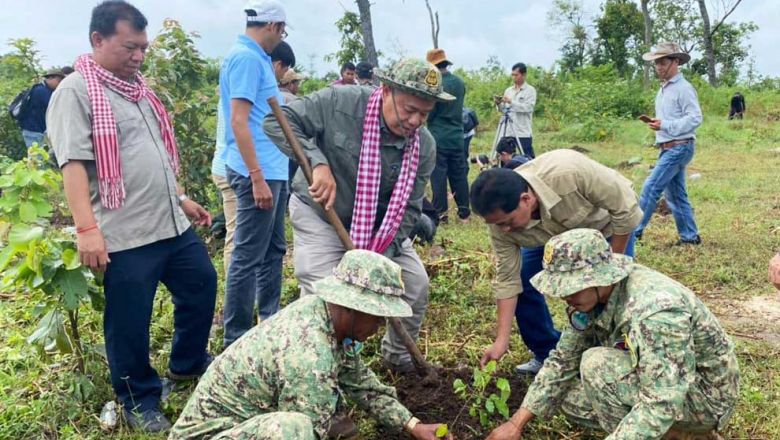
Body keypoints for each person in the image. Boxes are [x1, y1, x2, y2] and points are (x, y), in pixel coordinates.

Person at [46, 1, 216, 432]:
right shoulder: (76, 92)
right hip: (124, 232)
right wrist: (87, 229)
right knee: (129, 322)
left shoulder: (139, 90)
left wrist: (181, 197)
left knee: (201, 282)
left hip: (169, 222)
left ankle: (187, 363)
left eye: (143, 47)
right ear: (98, 39)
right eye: (129, 47)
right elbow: (73, 166)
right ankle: (137, 398)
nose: (138, 56)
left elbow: (156, 155)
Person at [264, 57, 454, 376]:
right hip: (322, 215)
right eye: (410, 110)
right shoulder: (341, 102)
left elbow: (409, 209)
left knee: (415, 284)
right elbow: (278, 121)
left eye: (425, 113)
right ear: (387, 91)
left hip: (381, 231)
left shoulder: (424, 146)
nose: (415, 121)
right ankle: (317, 372)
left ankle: (399, 359)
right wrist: (317, 162)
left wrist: (378, 260)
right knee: (325, 296)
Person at [169, 250, 452, 440]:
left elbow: (361, 383)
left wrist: (412, 425)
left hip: (244, 425)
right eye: (377, 317)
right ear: (352, 308)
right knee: (295, 428)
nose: (380, 326)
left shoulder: (326, 315)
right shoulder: (311, 355)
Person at [487, 228, 739, 440]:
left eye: (572, 288)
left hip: (703, 398)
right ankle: (675, 434)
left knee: (596, 366)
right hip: (656, 379)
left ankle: (688, 432)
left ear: (601, 278)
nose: (565, 296)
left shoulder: (655, 311)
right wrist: (516, 424)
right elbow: (563, 361)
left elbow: (663, 400)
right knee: (567, 396)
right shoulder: (590, 300)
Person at [470, 149, 642, 375]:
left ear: (526, 199)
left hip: (604, 233)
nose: (504, 230)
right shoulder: (500, 224)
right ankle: (547, 354)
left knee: (610, 295)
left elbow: (625, 207)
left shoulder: (568, 172)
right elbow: (508, 279)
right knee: (524, 278)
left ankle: (614, 361)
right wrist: (501, 340)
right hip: (551, 242)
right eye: (497, 224)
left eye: (507, 222)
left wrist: (608, 273)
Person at [219, 0, 290, 348]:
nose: (282, 38)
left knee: (274, 249)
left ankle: (269, 320)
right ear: (273, 27)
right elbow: (238, 121)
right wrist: (256, 176)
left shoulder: (258, 57)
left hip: (273, 168)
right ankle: (236, 338)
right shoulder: (246, 58)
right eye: (283, 31)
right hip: (257, 172)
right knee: (247, 257)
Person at [634, 42, 703, 246]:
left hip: (680, 146)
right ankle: (690, 237)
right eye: (656, 63)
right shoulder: (663, 90)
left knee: (651, 188)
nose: (658, 67)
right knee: (675, 195)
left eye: (662, 62)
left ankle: (632, 234)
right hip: (669, 147)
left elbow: (695, 118)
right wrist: (659, 124)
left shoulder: (684, 88)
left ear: (676, 62)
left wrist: (665, 125)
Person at [426, 48, 469, 224]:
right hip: (457, 137)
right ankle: (464, 214)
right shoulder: (459, 82)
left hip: (438, 137)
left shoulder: (434, 83)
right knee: (459, 175)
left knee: (439, 177)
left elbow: (431, 112)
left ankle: (441, 214)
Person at [211, 88, 235, 276]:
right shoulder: (238, 95)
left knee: (237, 231)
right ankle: (235, 287)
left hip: (224, 167)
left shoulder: (229, 93)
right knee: (237, 234)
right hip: (232, 169)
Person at [16, 68, 68, 148]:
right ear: (51, 78)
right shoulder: (42, 91)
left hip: (35, 130)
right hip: (34, 131)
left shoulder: (41, 89)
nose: (60, 84)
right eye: (59, 81)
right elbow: (55, 109)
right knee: (37, 155)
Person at [499, 62, 536, 159]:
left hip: (522, 131)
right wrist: (499, 104)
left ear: (524, 75)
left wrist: (511, 102)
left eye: (516, 75)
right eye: (512, 75)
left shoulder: (530, 90)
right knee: (506, 158)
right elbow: (504, 110)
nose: (514, 77)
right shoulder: (508, 90)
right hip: (508, 131)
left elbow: (528, 108)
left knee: (527, 158)